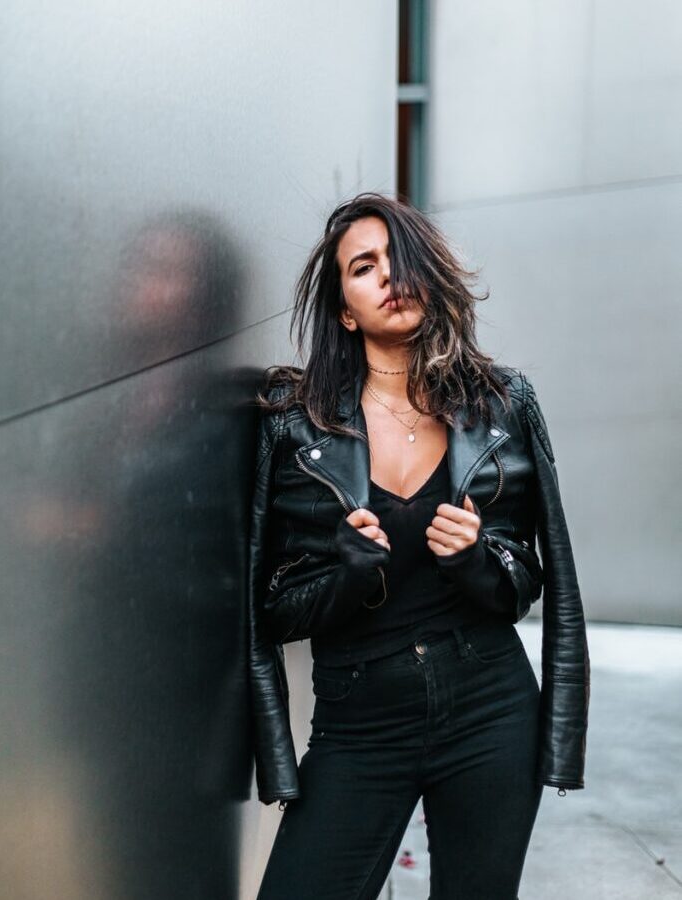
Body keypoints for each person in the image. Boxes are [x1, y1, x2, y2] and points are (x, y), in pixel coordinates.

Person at [248, 192, 590, 900]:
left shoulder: (501, 404)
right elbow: (272, 610)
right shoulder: (295, 426)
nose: (387, 277)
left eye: (398, 260)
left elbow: (524, 581)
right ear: (345, 308)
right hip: (357, 719)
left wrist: (476, 560)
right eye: (363, 267)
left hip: (490, 707)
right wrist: (343, 572)